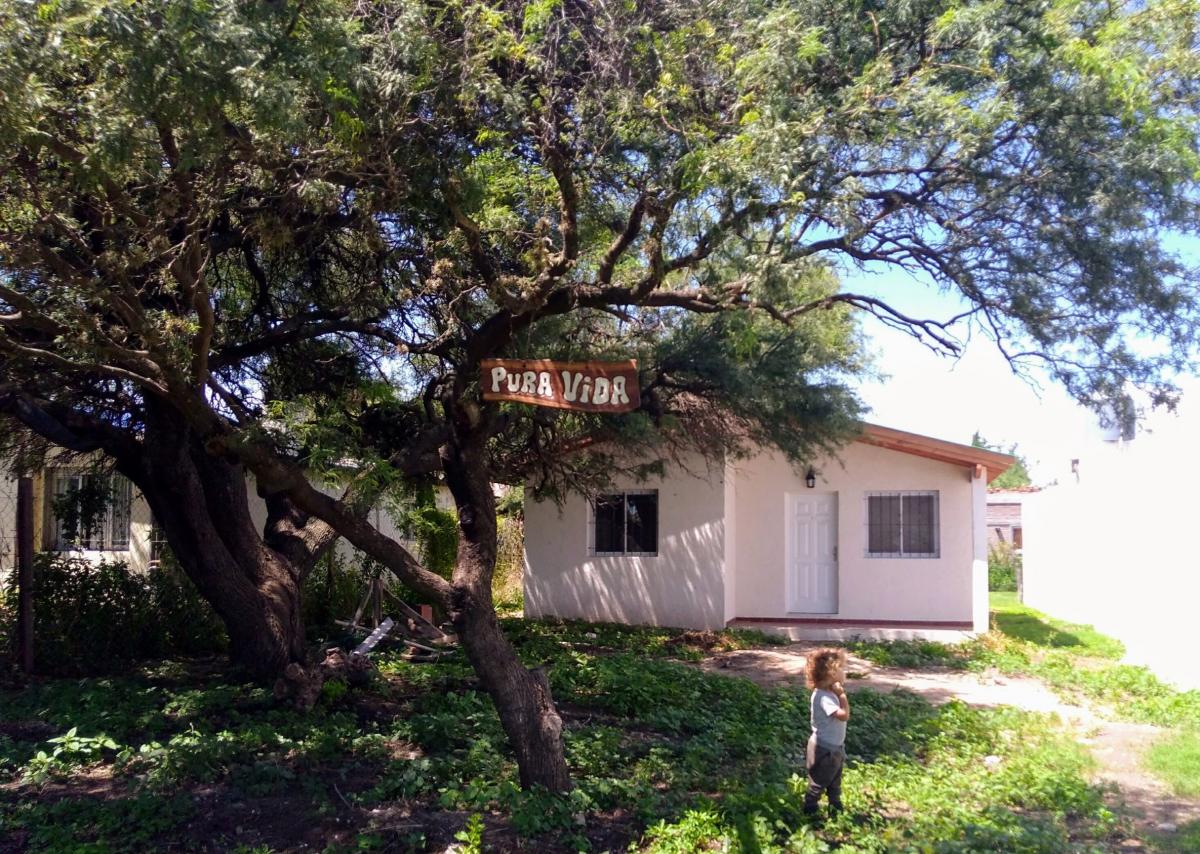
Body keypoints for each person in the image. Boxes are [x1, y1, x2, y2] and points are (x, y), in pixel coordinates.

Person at [804, 647, 850, 816]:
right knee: (818, 782)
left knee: (834, 780)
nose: (845, 672)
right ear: (831, 674)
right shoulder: (823, 697)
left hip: (834, 746)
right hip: (825, 749)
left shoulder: (828, 693)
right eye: (841, 668)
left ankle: (835, 806)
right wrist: (842, 696)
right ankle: (810, 809)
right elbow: (844, 715)